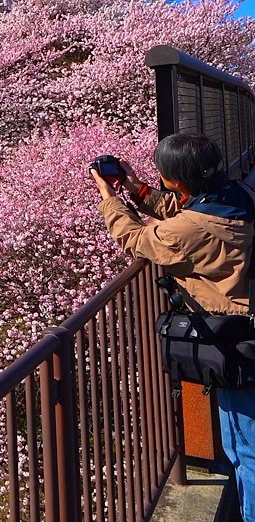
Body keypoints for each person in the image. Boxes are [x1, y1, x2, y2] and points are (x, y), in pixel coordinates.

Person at [94, 133, 255, 515]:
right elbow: (186, 213)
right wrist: (138, 189)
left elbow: (138, 239)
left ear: (177, 179)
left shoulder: (191, 229)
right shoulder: (236, 195)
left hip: (235, 338)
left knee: (245, 447)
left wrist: (109, 198)